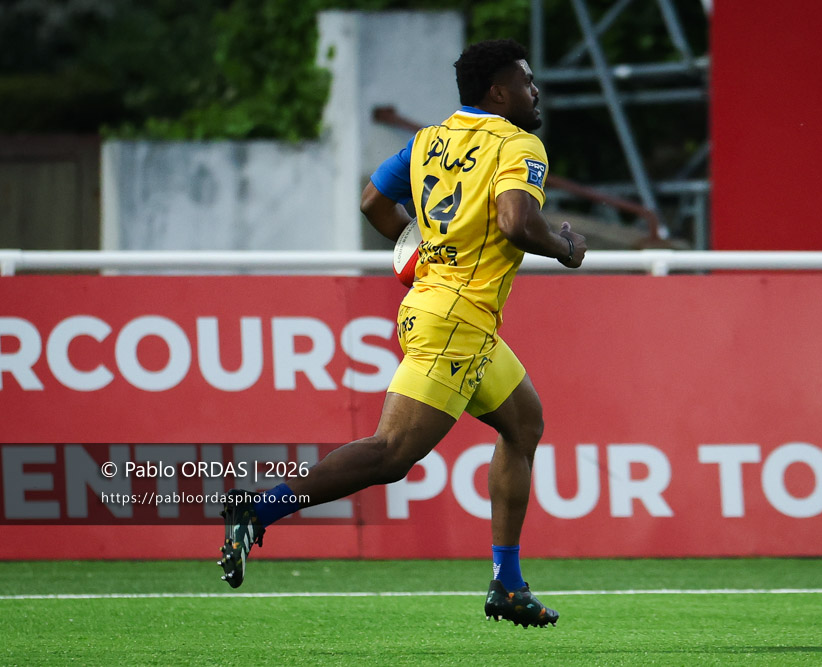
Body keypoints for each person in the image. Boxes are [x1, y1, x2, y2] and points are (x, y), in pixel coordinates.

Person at [217, 38, 586, 628]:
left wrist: (420, 249)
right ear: (497, 92)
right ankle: (256, 509)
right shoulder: (519, 145)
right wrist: (567, 248)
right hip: (456, 325)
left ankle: (507, 583)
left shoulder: (427, 140)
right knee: (391, 455)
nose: (534, 91)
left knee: (524, 424)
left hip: (445, 311)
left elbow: (373, 201)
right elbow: (518, 223)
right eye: (525, 81)